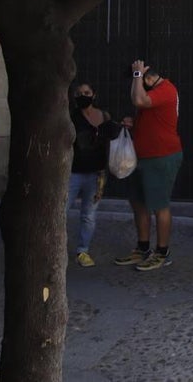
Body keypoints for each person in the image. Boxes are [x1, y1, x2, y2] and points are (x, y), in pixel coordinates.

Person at [114, 60, 183, 272]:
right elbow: (152, 116)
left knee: (160, 205)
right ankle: (142, 248)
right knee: (138, 203)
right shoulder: (154, 92)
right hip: (143, 157)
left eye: (137, 80)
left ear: (147, 78)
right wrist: (134, 123)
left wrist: (137, 74)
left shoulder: (166, 89)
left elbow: (139, 100)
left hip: (161, 157)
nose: (135, 85)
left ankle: (162, 252)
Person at [68, 82, 120, 268]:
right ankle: (55, 248)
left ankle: (83, 250)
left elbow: (111, 139)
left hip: (96, 173)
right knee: (61, 212)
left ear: (94, 95)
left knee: (89, 215)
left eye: (87, 92)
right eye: (79, 93)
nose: (83, 95)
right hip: (72, 173)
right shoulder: (70, 117)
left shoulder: (104, 116)